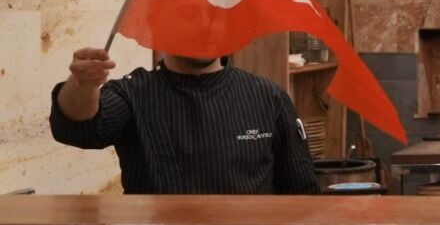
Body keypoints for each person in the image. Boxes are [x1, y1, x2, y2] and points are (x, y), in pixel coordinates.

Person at [50, 48, 320, 194]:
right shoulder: (133, 93)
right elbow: (78, 129)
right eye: (187, 15)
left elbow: (302, 191)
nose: (200, 26)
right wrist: (82, 84)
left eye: (210, 16)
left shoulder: (267, 95)